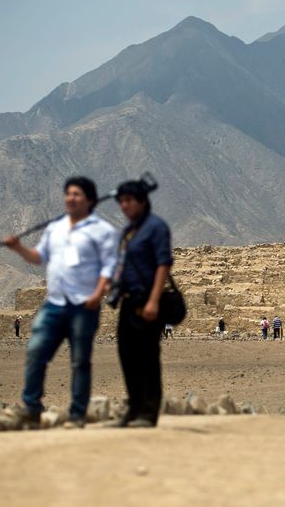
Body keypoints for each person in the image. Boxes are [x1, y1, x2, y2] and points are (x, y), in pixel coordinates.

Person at [3, 176, 117, 429]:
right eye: (68, 194)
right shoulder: (55, 228)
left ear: (89, 199)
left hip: (83, 305)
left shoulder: (102, 231)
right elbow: (38, 257)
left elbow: (109, 266)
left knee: (80, 361)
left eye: (76, 194)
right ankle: (31, 408)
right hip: (54, 303)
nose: (70, 198)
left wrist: (97, 294)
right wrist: (18, 247)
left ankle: (77, 414)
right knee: (36, 351)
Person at [110, 180, 173, 428]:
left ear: (142, 201)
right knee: (127, 355)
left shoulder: (156, 227)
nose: (124, 205)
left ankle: (149, 412)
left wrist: (155, 300)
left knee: (147, 356)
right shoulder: (128, 231)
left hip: (148, 299)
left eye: (129, 200)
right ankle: (133, 408)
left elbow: (163, 264)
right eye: (121, 201)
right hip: (128, 300)